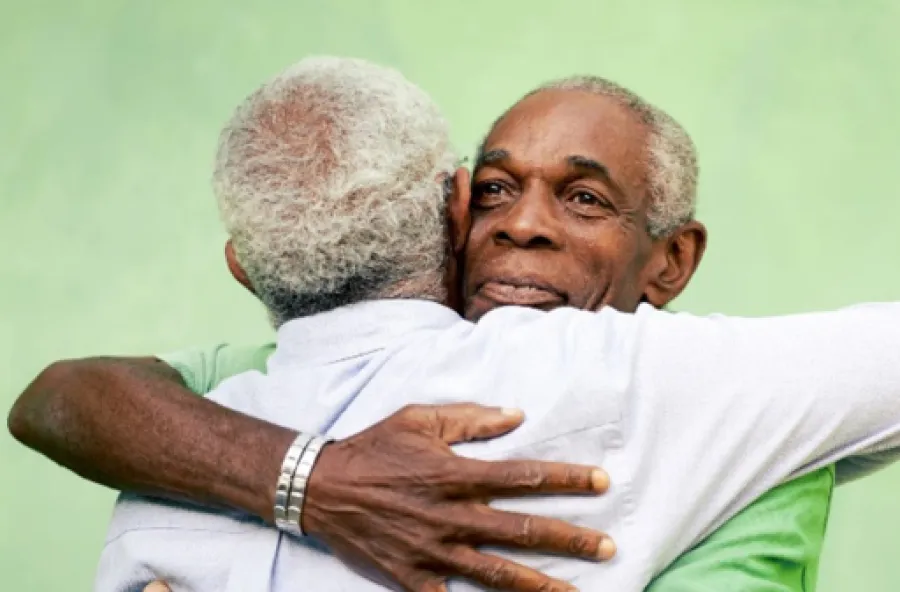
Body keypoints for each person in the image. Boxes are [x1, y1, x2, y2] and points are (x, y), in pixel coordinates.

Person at [8, 57, 849, 591]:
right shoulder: (304, 367)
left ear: (672, 260)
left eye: (584, 198)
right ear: (452, 215)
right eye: (496, 190)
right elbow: (63, 399)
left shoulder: (737, 425)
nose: (523, 225)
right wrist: (318, 481)